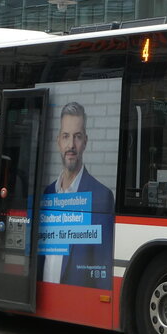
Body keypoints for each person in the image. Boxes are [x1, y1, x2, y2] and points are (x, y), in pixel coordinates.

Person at [41, 101, 115, 287]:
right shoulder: (48, 193)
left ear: (85, 142)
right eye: (66, 136)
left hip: (75, 303)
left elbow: (102, 265)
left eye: (77, 136)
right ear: (58, 141)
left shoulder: (101, 196)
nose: (71, 145)